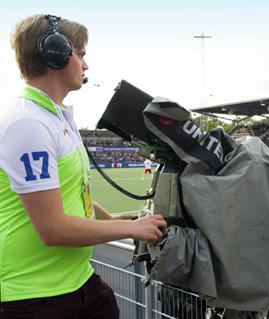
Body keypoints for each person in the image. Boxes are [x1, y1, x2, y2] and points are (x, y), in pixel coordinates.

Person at [0, 14, 167, 318]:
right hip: (33, 295)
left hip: (77, 281)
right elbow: (52, 229)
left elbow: (71, 190)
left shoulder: (53, 117)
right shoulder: (27, 123)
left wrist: (111, 217)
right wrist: (131, 228)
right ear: (55, 53)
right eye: (80, 54)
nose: (86, 65)